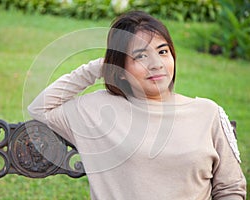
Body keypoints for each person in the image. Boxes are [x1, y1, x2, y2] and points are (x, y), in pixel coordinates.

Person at [28, 11, 246, 199]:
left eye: (163, 51)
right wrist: (98, 67)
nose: (156, 64)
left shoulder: (207, 113)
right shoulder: (98, 110)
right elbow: (40, 107)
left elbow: (230, 188)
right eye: (141, 56)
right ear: (121, 67)